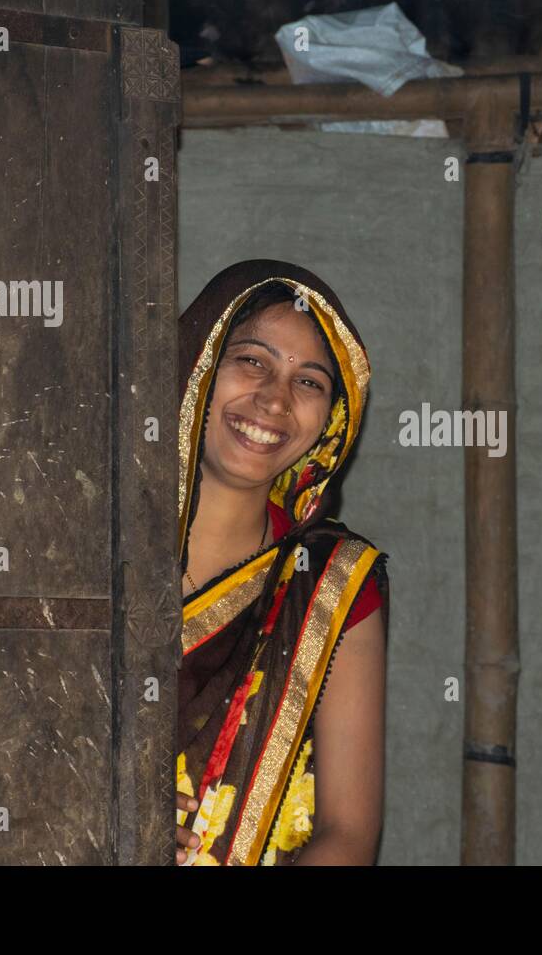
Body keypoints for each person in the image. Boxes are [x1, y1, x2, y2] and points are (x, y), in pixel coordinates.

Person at [174, 259, 389, 865]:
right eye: (252, 361)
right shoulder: (83, 556)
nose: (273, 399)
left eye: (310, 382)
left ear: (330, 422)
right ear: (198, 365)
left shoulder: (334, 584)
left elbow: (347, 836)